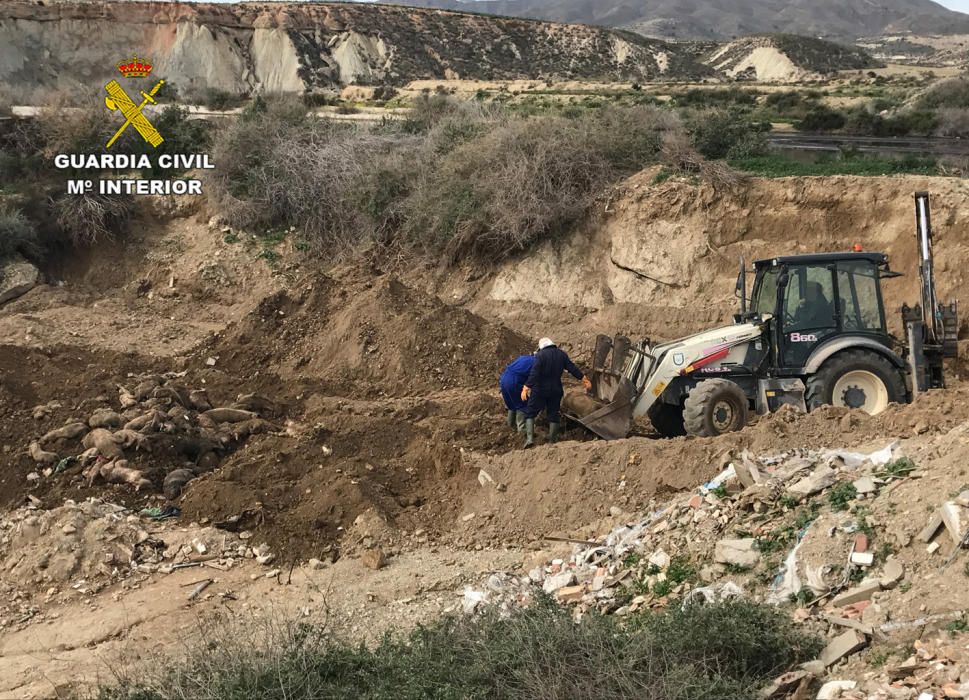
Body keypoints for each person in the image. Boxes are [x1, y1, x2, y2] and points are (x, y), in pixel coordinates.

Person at [520, 337, 592, 448]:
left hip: (540, 389)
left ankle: (530, 439)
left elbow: (535, 373)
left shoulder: (540, 356)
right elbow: (572, 368)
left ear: (541, 347)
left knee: (530, 412)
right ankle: (552, 439)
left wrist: (526, 387)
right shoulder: (561, 354)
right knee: (553, 414)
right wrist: (584, 378)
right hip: (556, 389)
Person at [499, 353, 535, 433]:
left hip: (504, 379)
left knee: (512, 404)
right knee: (523, 403)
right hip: (514, 382)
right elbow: (534, 379)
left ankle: (511, 426)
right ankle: (522, 429)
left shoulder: (523, 358)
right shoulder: (536, 362)